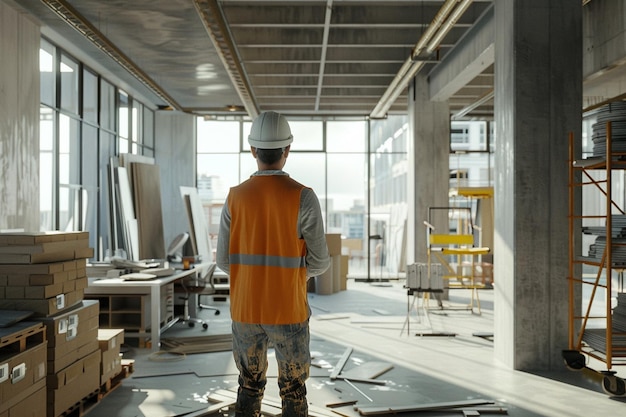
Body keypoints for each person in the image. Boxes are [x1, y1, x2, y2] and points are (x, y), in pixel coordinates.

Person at [216, 111, 331, 416]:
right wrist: (291, 279)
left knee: (248, 386)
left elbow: (223, 261)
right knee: (293, 390)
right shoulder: (302, 197)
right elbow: (320, 262)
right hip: (287, 310)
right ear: (287, 151)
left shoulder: (234, 198)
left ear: (253, 150)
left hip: (245, 310)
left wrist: (251, 278)